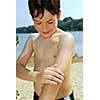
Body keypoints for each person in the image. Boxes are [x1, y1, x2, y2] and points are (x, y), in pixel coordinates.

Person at [16, 0, 75, 100]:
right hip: (38, 96)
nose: (44, 28)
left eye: (50, 22)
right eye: (38, 22)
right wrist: (37, 76)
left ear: (58, 14)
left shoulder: (65, 39)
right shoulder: (33, 39)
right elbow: (17, 68)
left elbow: (54, 81)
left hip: (60, 97)